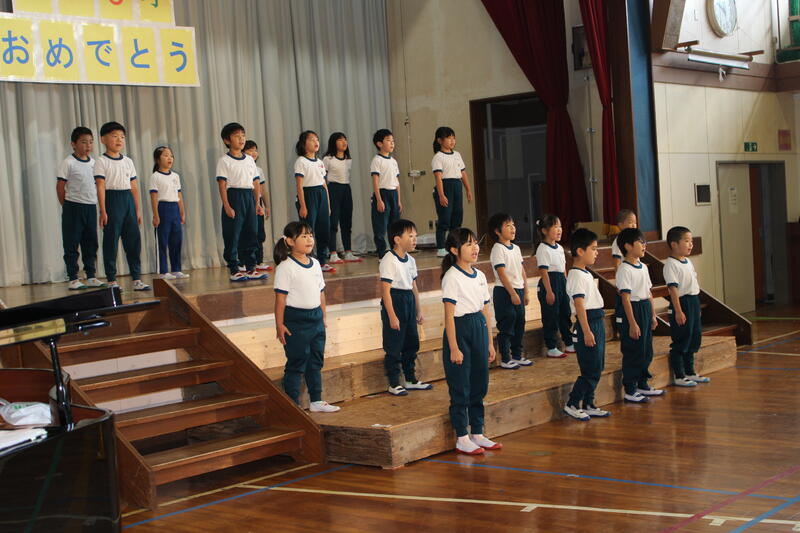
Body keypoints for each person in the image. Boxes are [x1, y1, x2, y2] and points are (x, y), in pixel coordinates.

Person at [441, 227, 501, 455]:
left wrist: (489, 342)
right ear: (454, 250)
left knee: (479, 383)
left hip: (479, 328)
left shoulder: (481, 276)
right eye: (468, 244)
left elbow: (486, 311)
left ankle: (477, 432)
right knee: (461, 386)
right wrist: (454, 347)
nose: (475, 248)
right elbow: (449, 316)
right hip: (460, 330)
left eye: (475, 243)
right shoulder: (452, 277)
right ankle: (462, 437)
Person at [273, 221, 340, 412]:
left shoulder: (316, 264)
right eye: (303, 236)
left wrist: (323, 316)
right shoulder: (286, 267)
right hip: (295, 320)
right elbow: (280, 299)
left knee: (315, 360)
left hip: (316, 318)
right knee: (297, 361)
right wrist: (279, 325)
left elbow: (321, 293)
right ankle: (292, 405)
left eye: (310, 235)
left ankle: (316, 400)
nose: (309, 239)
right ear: (290, 241)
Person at [94, 121, 150, 291]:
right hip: (112, 199)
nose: (119, 140)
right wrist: (103, 210)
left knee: (133, 241)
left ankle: (136, 278)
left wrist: (137, 209)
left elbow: (134, 187)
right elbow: (100, 186)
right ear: (103, 139)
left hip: (127, 200)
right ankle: (112, 279)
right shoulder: (101, 161)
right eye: (114, 136)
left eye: (122, 137)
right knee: (111, 240)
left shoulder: (128, 161)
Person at [380, 219, 431, 396]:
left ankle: (410, 379)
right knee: (394, 344)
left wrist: (418, 310)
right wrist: (392, 315)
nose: (414, 239)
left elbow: (414, 287)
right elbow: (385, 291)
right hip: (395, 300)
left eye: (416, 236)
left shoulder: (411, 260)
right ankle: (394, 383)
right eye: (410, 236)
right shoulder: (389, 260)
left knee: (411, 342)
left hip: (408, 300)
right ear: (397, 239)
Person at [563, 228, 610, 420]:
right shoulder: (576, 275)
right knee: (591, 368)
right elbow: (579, 305)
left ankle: (589, 403)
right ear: (580, 251)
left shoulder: (586, 274)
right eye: (593, 248)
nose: (596, 252)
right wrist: (587, 330)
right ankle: (573, 403)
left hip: (596, 321)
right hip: (587, 324)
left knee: (598, 366)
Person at [615, 228, 662, 403]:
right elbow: (625, 299)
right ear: (628, 246)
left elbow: (649, 293)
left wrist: (653, 315)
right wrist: (633, 323)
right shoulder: (624, 269)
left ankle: (642, 383)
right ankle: (630, 388)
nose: (644, 245)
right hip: (633, 310)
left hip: (644, 308)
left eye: (644, 242)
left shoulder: (643, 267)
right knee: (633, 350)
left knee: (646, 349)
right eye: (640, 242)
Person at [215, 122, 266, 282]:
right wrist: (227, 205)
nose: (241, 139)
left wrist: (257, 203)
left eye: (243, 135)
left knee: (251, 233)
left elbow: (256, 182)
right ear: (227, 140)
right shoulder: (224, 161)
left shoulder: (249, 160)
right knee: (233, 234)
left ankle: (251, 268)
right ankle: (234, 269)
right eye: (237, 136)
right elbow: (222, 185)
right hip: (234, 197)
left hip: (249, 196)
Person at [57, 126, 105, 290]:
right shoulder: (68, 162)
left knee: (90, 243)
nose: (88, 145)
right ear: (73, 144)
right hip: (73, 207)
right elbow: (60, 186)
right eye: (84, 142)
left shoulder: (94, 163)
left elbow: (99, 186)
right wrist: (67, 205)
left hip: (90, 207)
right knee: (71, 243)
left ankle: (91, 276)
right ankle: (73, 278)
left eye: (91, 142)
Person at [664, 226, 710, 387]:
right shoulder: (671, 265)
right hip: (681, 303)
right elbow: (673, 289)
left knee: (694, 337)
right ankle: (679, 375)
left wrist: (696, 308)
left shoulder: (688, 261)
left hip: (693, 301)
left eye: (691, 241)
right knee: (682, 339)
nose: (691, 244)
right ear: (674, 244)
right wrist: (678, 311)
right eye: (686, 241)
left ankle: (690, 372)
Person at [488, 212, 532, 370]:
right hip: (504, 292)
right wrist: (512, 293)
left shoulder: (517, 249)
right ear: (497, 231)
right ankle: (505, 358)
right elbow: (501, 273)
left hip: (518, 290)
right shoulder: (497, 249)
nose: (513, 228)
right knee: (507, 323)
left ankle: (517, 355)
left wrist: (526, 291)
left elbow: (522, 271)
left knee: (520, 322)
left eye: (513, 225)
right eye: (508, 226)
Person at [294, 130, 335, 273]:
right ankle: (308, 259)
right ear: (303, 144)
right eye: (311, 139)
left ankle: (322, 260)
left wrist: (328, 205)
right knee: (308, 230)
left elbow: (324, 184)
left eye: (317, 139)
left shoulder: (320, 162)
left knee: (324, 229)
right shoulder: (301, 161)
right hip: (308, 195)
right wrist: (303, 205)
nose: (315, 142)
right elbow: (299, 185)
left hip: (321, 195)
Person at [535, 214, 573, 357]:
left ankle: (569, 343)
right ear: (544, 231)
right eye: (555, 227)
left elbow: (563, 269)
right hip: (550, 283)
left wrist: (567, 286)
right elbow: (543, 272)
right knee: (551, 315)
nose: (559, 230)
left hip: (561, 282)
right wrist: (549, 291)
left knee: (565, 312)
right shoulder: (542, 248)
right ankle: (551, 347)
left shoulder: (560, 248)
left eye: (560, 227)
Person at [432, 126, 473, 258]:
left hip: (457, 186)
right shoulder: (438, 157)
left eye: (453, 138)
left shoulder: (457, 155)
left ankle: (454, 245)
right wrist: (441, 195)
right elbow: (438, 177)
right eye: (449, 138)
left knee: (457, 217)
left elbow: (463, 173)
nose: (452, 141)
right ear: (440, 140)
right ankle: (441, 247)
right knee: (445, 218)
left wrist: (468, 189)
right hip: (445, 187)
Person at [150, 146, 188, 280]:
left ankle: (176, 269)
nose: (169, 158)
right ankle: (163, 270)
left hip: (175, 208)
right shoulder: (155, 176)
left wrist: (182, 211)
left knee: (176, 240)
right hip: (163, 208)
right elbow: (154, 197)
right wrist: (156, 215)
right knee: (162, 240)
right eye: (165, 155)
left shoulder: (175, 176)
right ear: (158, 160)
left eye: (171, 155)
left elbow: (179, 195)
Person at [323, 132, 360, 263]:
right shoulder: (328, 159)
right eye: (340, 140)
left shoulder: (348, 160)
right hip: (333, 189)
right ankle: (333, 253)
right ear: (334, 142)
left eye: (345, 139)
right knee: (333, 222)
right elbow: (323, 178)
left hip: (346, 189)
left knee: (346, 222)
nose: (344, 142)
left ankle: (348, 251)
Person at [370, 129, 401, 258]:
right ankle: (382, 254)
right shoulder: (377, 160)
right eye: (388, 140)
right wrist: (379, 199)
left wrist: (399, 200)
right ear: (379, 143)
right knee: (380, 226)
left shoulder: (393, 161)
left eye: (393, 141)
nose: (392, 143)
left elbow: (397, 182)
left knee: (395, 226)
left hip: (393, 194)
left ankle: (395, 252)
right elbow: (375, 181)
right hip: (382, 194)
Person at [243, 140, 272, 272]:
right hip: (246, 200)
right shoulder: (241, 167)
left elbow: (263, 190)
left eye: (255, 150)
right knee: (246, 231)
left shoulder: (259, 170)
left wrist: (267, 206)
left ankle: (259, 261)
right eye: (250, 150)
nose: (254, 153)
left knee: (259, 232)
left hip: (257, 202)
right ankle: (244, 262)